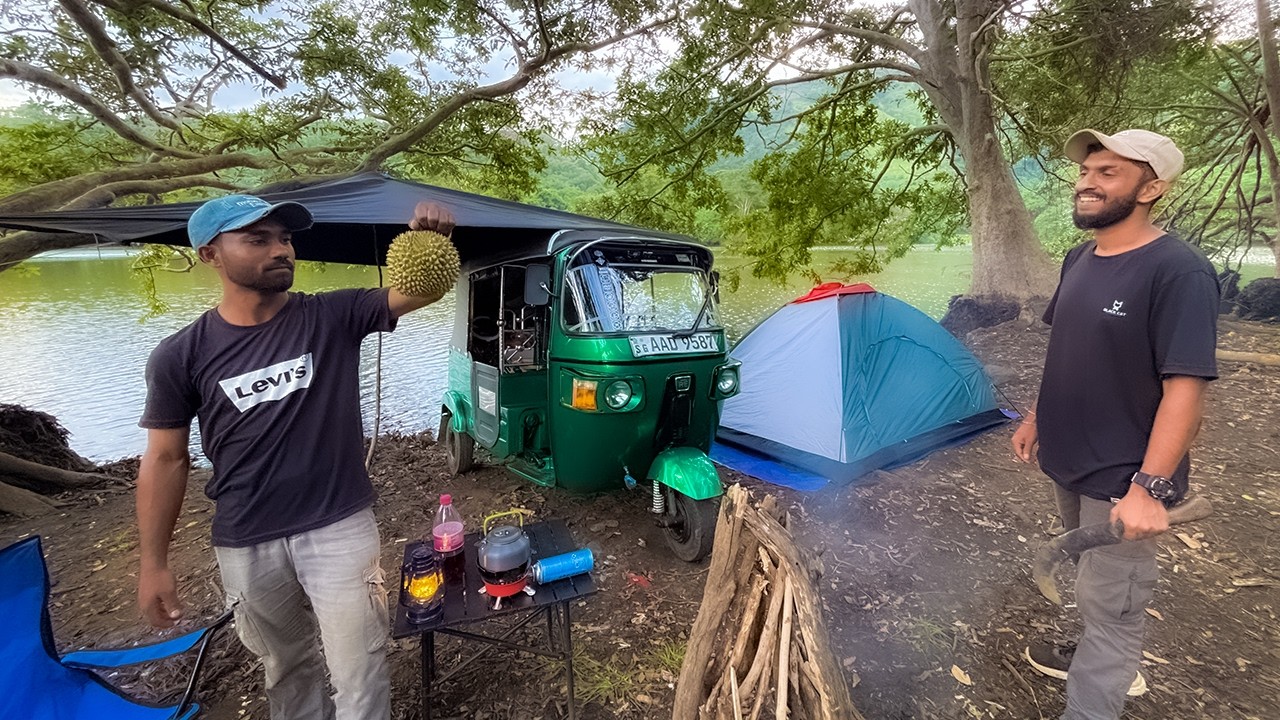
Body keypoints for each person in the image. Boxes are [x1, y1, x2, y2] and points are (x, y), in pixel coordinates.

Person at [135, 194, 456, 720]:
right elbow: (166, 460)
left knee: (362, 666)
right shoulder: (180, 355)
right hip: (246, 536)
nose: (280, 249)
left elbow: (418, 288)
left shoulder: (331, 315)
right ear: (209, 255)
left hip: (338, 525)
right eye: (257, 239)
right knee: (286, 668)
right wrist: (153, 563)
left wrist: (430, 239)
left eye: (285, 238)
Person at [1011, 128, 1218, 720]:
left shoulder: (1178, 272)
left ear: (1152, 187)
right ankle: (1096, 645)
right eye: (1087, 171)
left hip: (1125, 475)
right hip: (1070, 458)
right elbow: (1070, 352)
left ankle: (1097, 693)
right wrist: (1036, 416)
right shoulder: (1081, 257)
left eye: (1109, 173)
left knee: (1116, 611)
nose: (1087, 182)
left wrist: (1148, 487)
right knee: (1090, 573)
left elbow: (1186, 388)